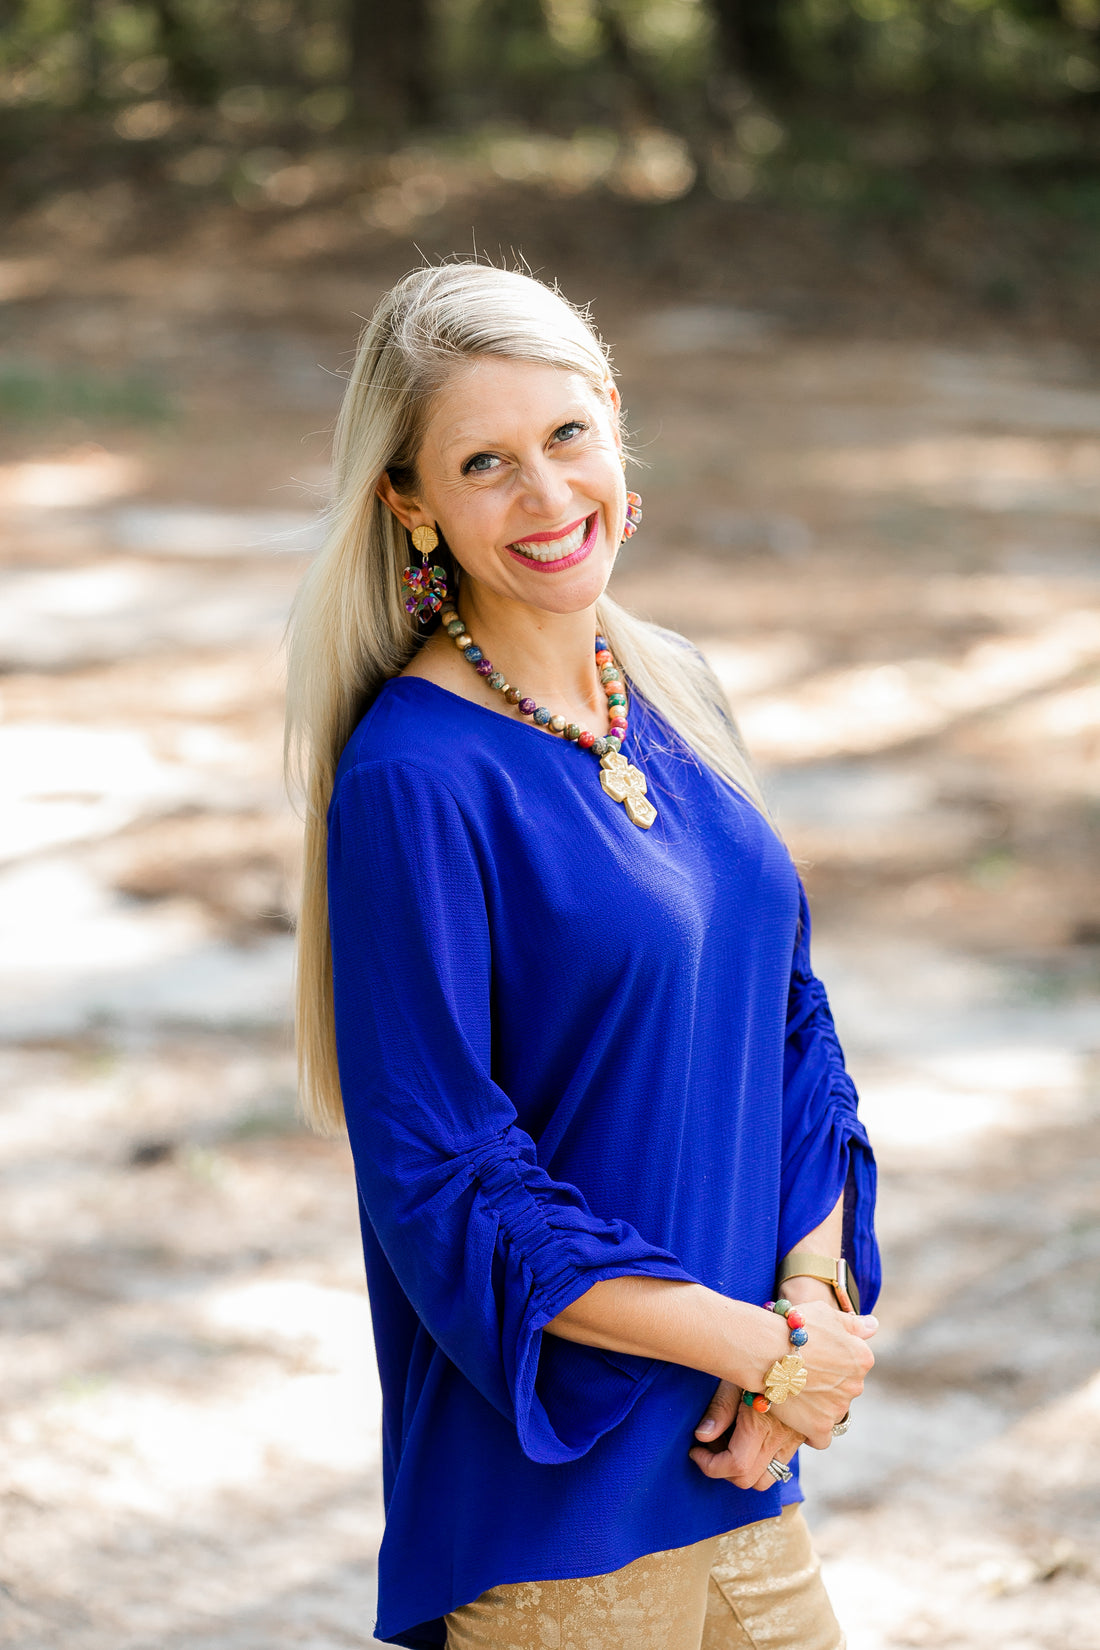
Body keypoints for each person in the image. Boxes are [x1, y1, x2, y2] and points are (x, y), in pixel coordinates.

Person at [284, 261, 881, 1650]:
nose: (548, 495)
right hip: (558, 1528)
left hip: (744, 1475)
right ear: (411, 501)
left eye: (567, 435)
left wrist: (806, 1301)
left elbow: (788, 1023)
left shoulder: (675, 688)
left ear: (615, 422)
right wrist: (761, 1349)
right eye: (484, 464)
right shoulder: (416, 778)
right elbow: (448, 1179)